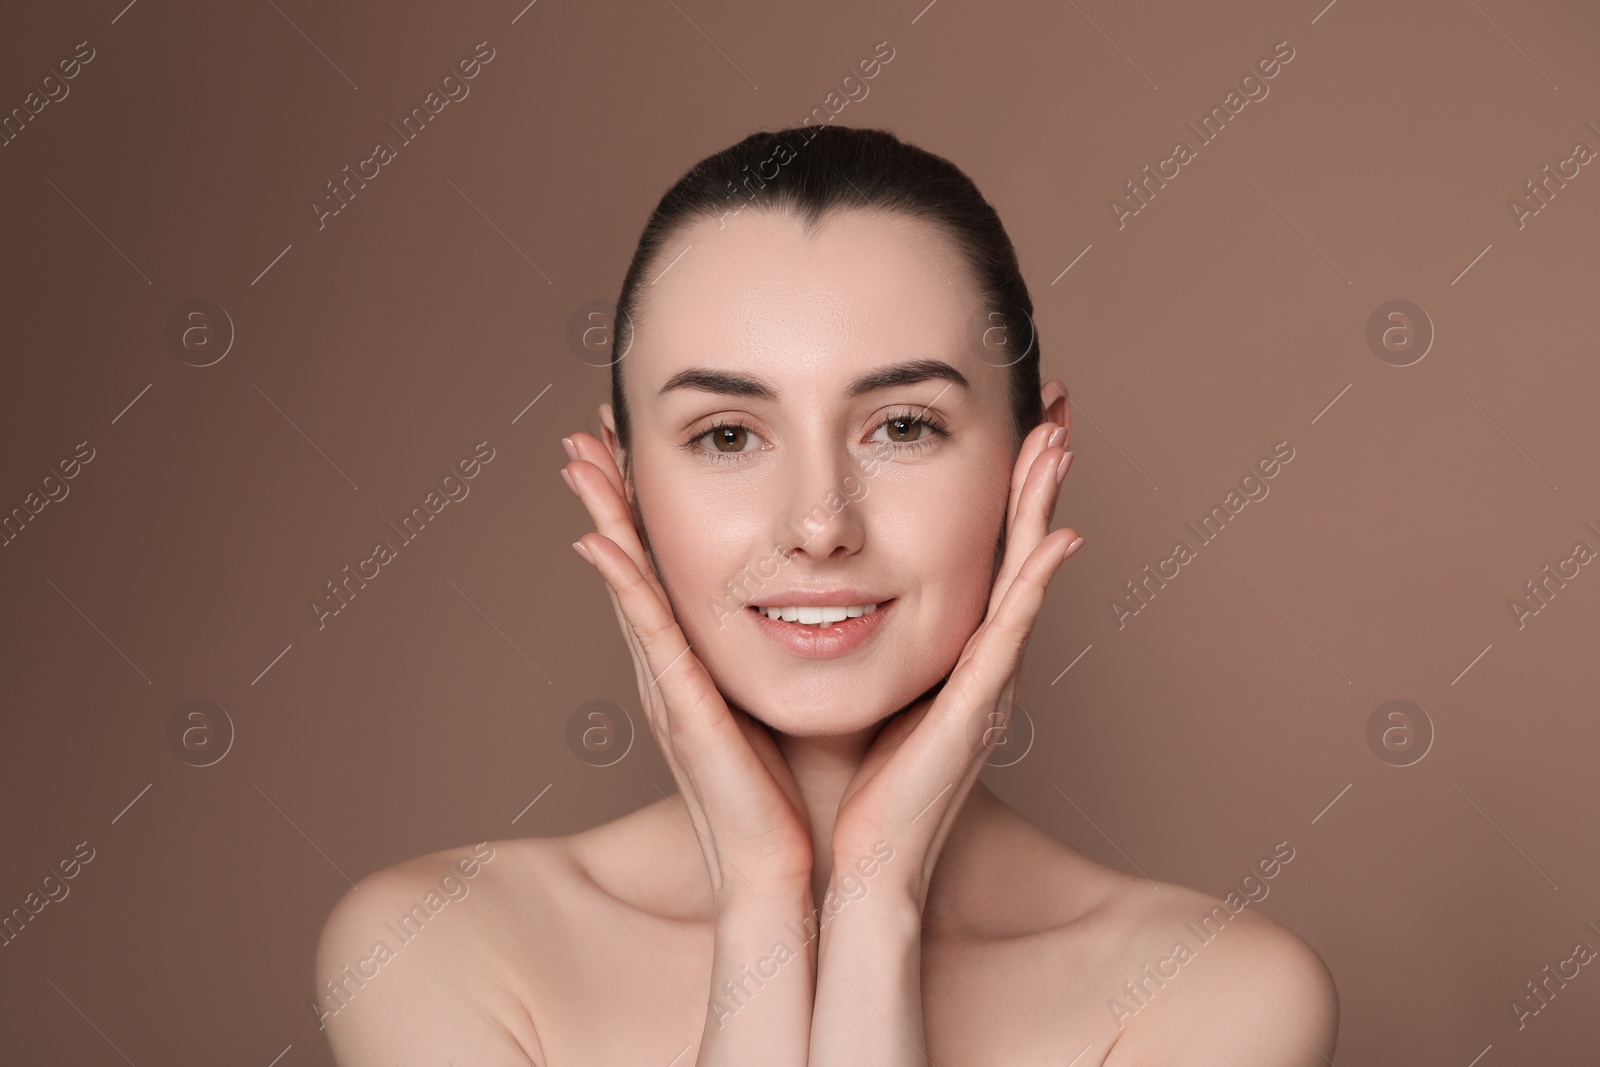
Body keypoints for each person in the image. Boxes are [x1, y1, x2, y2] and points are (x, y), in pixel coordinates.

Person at [315, 124, 1338, 1065]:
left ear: (1036, 456)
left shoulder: (1212, 994)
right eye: (726, 434)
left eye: (901, 425)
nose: (818, 522)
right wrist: (763, 899)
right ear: (624, 481)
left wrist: (874, 899)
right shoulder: (436, 947)